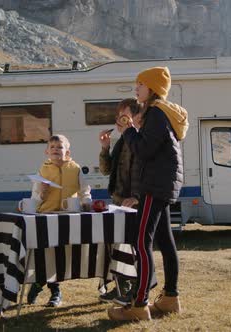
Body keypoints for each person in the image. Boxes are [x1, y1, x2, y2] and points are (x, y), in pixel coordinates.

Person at [107, 67, 189, 321]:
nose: (136, 88)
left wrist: (128, 131)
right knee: (165, 242)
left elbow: (144, 151)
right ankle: (169, 299)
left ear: (152, 88)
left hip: (154, 187)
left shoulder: (155, 113)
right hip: (162, 186)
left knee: (142, 243)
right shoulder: (162, 114)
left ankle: (139, 304)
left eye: (140, 84)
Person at [27, 134, 91, 307]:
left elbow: (84, 190)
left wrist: (87, 203)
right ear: (47, 151)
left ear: (67, 152)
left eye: (60, 147)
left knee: (61, 255)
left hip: (67, 217)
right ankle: (47, 288)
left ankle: (46, 287)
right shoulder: (43, 170)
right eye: (53, 147)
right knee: (44, 255)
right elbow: (35, 197)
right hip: (46, 216)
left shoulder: (75, 168)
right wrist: (43, 194)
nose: (56, 150)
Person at [97, 98, 141, 303]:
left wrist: (137, 197)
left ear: (133, 117)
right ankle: (121, 287)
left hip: (132, 203)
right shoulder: (123, 140)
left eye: (123, 115)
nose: (118, 119)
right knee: (118, 248)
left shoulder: (138, 138)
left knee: (133, 248)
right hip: (117, 201)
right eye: (117, 116)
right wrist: (105, 148)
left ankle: (134, 289)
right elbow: (107, 171)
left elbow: (144, 172)